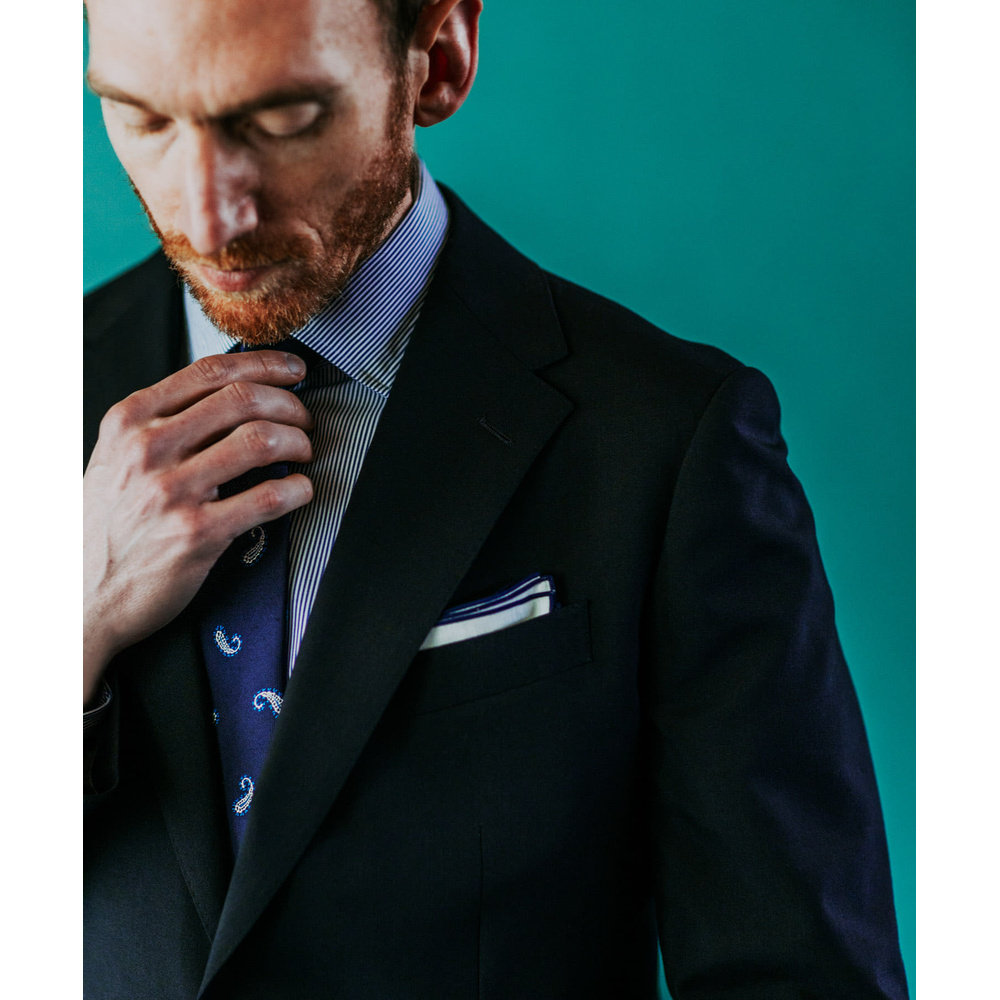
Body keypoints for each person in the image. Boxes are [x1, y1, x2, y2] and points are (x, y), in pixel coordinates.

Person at [83, 0, 909, 996]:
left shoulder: (665, 440)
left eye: (282, 117)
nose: (209, 217)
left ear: (438, 56)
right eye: (143, 116)